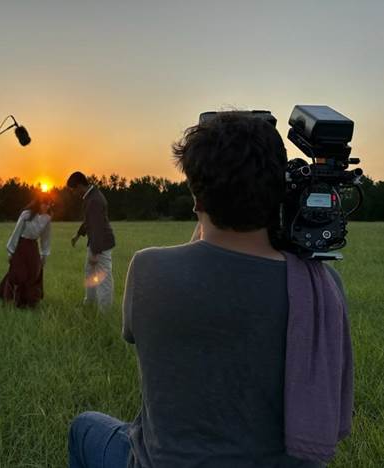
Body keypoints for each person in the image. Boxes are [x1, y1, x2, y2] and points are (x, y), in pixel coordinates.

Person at [68, 113, 352, 467]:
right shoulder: (321, 287)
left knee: (83, 428)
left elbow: (134, 333)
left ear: (196, 198)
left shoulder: (149, 269)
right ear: (280, 191)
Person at [67, 172, 115, 310]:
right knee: (90, 274)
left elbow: (97, 227)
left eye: (73, 189)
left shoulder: (94, 200)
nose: (74, 193)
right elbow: (89, 221)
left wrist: (95, 253)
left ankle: (104, 312)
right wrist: (78, 234)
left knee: (103, 279)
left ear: (79, 185)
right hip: (95, 244)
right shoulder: (90, 196)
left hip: (101, 245)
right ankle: (89, 304)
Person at [0, 195, 53, 308]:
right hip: (21, 246)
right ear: (38, 203)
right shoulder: (26, 215)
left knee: (34, 273)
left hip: (33, 247)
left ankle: (29, 301)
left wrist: (44, 255)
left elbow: (45, 238)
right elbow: (16, 232)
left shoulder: (47, 218)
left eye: (48, 204)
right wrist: (11, 252)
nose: (46, 206)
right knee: (18, 273)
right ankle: (11, 298)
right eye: (44, 203)